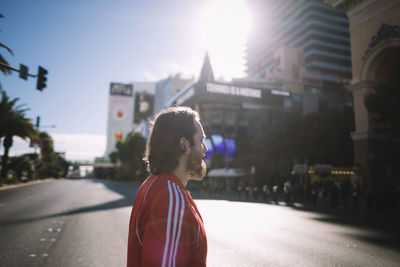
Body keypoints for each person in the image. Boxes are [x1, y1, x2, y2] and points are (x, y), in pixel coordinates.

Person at [127, 106, 208, 267]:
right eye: (201, 141)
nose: (205, 149)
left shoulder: (155, 185)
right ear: (183, 144)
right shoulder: (170, 198)